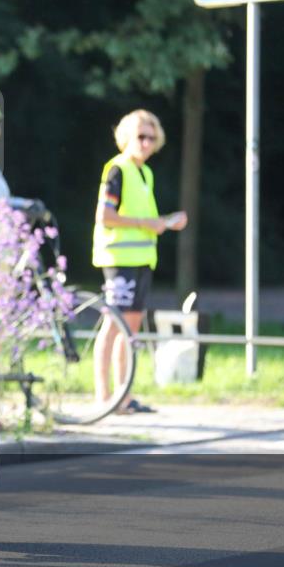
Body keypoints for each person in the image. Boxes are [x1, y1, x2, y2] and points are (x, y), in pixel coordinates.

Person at [92, 109, 187, 414]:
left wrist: (165, 221)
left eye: (151, 137)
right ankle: (104, 397)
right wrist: (149, 223)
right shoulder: (116, 170)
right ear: (126, 138)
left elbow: (144, 219)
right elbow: (105, 216)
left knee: (129, 330)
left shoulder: (145, 173)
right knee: (113, 325)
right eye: (140, 137)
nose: (146, 143)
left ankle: (123, 396)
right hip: (119, 259)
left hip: (142, 259)